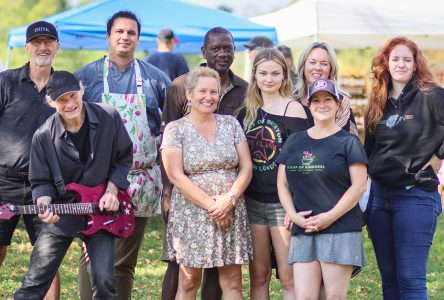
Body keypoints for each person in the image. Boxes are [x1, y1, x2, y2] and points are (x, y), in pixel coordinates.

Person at [75, 10, 171, 300]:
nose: (125, 37)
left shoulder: (156, 79)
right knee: (91, 256)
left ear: (138, 38)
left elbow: (171, 127)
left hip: (140, 181)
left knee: (125, 262)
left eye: (131, 32)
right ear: (108, 36)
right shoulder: (86, 77)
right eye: (119, 31)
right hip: (96, 183)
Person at [14, 70, 133, 299]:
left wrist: (111, 190)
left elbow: (123, 157)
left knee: (105, 280)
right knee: (35, 279)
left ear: (82, 90)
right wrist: (44, 204)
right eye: (62, 100)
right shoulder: (43, 136)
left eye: (73, 95)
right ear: (51, 102)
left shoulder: (109, 116)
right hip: (64, 210)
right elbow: (40, 181)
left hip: (101, 209)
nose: (70, 104)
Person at [161, 26, 248, 300]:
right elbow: (175, 174)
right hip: (192, 210)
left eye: (214, 92)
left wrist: (228, 200)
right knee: (188, 281)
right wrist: (212, 205)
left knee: (232, 281)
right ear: (189, 94)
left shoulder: (231, 123)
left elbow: (246, 167)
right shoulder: (176, 129)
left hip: (230, 207)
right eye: (202, 92)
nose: (209, 97)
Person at [364, 36, 444, 299]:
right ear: (386, 63)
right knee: (390, 278)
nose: (400, 64)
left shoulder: (432, 95)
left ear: (415, 63)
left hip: (416, 195)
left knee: (410, 278)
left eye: (406, 59)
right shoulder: (377, 101)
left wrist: (437, 158)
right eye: (395, 59)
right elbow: (370, 150)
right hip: (379, 198)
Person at [277, 79, 367, 299]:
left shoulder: (348, 142)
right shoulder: (295, 141)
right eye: (316, 100)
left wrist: (329, 217)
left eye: (328, 99)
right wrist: (293, 215)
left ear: (337, 104)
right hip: (304, 229)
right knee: (305, 296)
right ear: (309, 105)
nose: (322, 104)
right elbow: (282, 183)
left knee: (333, 296)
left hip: (340, 228)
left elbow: (359, 186)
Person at [237, 48, 307, 299]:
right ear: (254, 75)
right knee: (258, 275)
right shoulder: (246, 111)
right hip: (253, 202)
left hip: (282, 204)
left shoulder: (294, 110)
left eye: (275, 73)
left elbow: (301, 164)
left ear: (285, 75)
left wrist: (294, 205)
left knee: (288, 277)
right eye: (263, 73)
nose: (269, 79)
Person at [0, 20, 61, 299]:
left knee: (48, 259)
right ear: (27, 47)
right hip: (4, 182)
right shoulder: (6, 81)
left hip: (46, 188)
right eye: (37, 42)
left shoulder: (65, 86)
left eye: (48, 42)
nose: (43, 47)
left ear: (57, 47)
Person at [294, 41, 358, 135]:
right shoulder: (291, 100)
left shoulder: (341, 103)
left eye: (324, 64)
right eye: (312, 62)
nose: (318, 67)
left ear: (331, 69)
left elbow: (351, 141)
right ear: (303, 66)